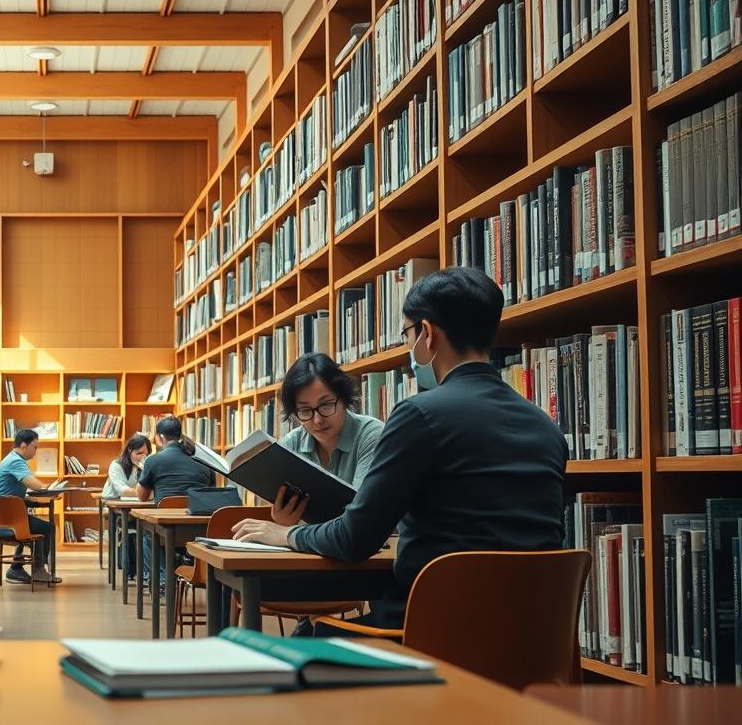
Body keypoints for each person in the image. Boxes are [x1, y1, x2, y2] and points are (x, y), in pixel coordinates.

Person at [234, 267, 568, 633]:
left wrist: (286, 534)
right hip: (528, 639)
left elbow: (354, 539)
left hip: (432, 633)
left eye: (407, 334)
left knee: (303, 641)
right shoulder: (546, 428)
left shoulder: (420, 416)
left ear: (427, 334)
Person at [279, 353, 384, 490]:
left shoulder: (372, 436)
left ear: (344, 398)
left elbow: (363, 507)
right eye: (305, 410)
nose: (317, 420)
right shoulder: (291, 445)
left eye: (326, 405)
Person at [135, 416, 212, 585]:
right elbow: (210, 489)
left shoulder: (154, 460)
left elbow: (141, 496)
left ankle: (162, 581)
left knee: (148, 536)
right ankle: (187, 563)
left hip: (168, 526)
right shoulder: (202, 459)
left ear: (160, 437)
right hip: (199, 527)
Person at [0, 429, 61, 585]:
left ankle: (16, 568)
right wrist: (50, 489)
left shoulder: (12, 459)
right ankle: (38, 570)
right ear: (23, 445)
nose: (36, 450)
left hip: (2, 516)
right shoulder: (16, 461)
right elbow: (31, 483)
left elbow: (20, 490)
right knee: (47, 528)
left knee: (33, 527)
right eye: (34, 446)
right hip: (6, 519)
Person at [103, 434, 151, 579]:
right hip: (114, 501)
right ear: (130, 450)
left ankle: (146, 570)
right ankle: (135, 567)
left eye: (146, 454)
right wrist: (145, 492)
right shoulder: (116, 465)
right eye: (139, 453)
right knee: (133, 523)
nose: (142, 457)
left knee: (146, 525)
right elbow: (122, 490)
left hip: (138, 503)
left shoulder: (147, 464)